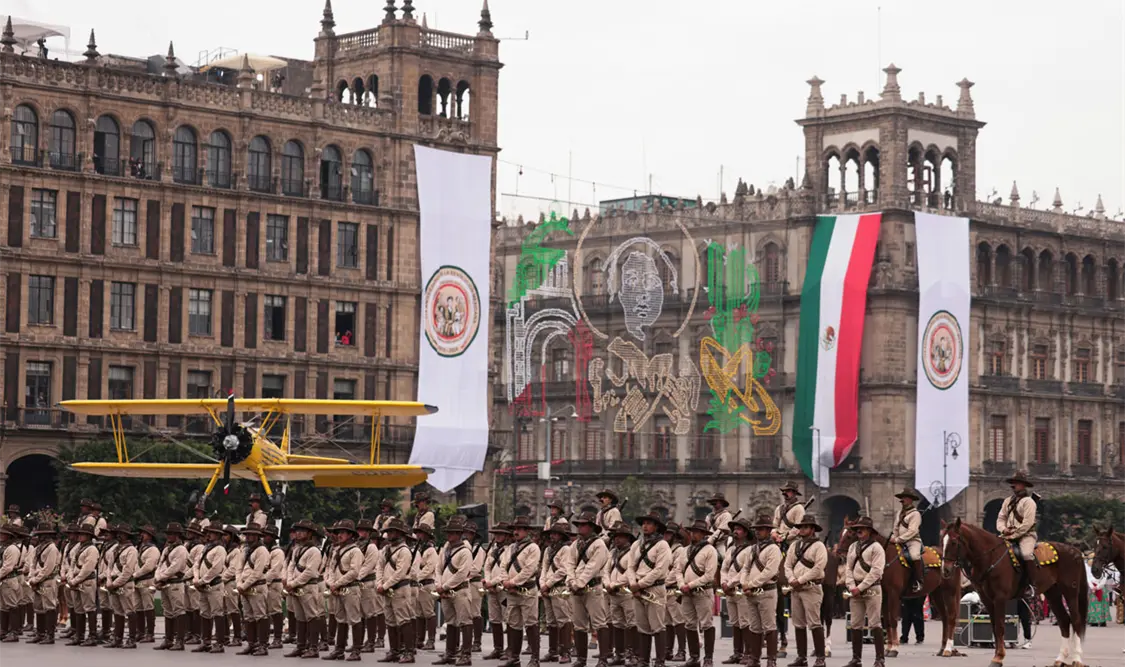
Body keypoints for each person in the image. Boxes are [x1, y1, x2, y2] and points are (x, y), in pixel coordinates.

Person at [627, 511, 672, 667]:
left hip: (655, 588)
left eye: (649, 523)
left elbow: (660, 570)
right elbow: (630, 567)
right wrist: (633, 584)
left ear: (657, 527)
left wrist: (639, 585)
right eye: (644, 523)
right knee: (642, 626)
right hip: (637, 589)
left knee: (657, 625)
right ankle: (643, 660)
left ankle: (660, 661)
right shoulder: (636, 544)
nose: (645, 526)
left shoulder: (663, 545)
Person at [783, 514, 828, 667]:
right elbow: (787, 565)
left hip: (811, 588)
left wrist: (799, 580)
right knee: (798, 624)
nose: (802, 529)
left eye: (806, 527)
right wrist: (791, 580)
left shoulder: (819, 546)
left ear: (812, 529)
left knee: (815, 623)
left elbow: (818, 568)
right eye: (801, 527)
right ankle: (801, 657)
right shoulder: (794, 546)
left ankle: (820, 658)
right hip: (796, 589)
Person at [570, 512, 612, 667]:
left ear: (591, 527)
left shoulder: (599, 544)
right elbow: (569, 565)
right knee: (579, 624)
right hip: (576, 588)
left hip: (592, 587)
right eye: (579, 524)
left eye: (583, 525)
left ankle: (603, 659)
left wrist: (578, 583)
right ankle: (581, 659)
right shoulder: (575, 544)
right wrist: (571, 581)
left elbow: (593, 567)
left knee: (600, 623)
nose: (580, 527)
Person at [500, 516, 542, 667]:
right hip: (511, 592)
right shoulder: (510, 548)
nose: (515, 532)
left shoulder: (533, 548)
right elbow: (503, 566)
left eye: (518, 529)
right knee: (513, 624)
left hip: (527, 590)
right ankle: (514, 658)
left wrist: (512, 582)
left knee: (531, 623)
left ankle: (535, 659)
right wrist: (505, 581)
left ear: (526, 531)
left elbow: (529, 570)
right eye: (514, 529)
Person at [844, 516, 886, 667]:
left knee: (875, 623)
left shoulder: (877, 548)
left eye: (862, 528)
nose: (859, 531)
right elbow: (848, 568)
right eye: (857, 528)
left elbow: (876, 571)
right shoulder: (852, 547)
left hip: (872, 588)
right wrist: (850, 585)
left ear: (869, 531)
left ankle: (880, 659)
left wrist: (860, 588)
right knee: (855, 624)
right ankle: (856, 659)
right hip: (854, 589)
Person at [435, 516, 476, 666]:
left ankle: (466, 655)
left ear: (459, 534)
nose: (449, 535)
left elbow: (462, 573)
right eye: (448, 532)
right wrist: (439, 583)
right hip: (445, 590)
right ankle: (450, 653)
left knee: (465, 621)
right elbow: (438, 568)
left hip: (460, 590)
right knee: (450, 622)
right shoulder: (445, 549)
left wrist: (444, 586)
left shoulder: (465, 551)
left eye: (452, 532)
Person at [743, 514, 783, 667]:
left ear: (768, 530)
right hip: (751, 592)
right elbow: (745, 568)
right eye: (757, 529)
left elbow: (769, 572)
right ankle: (755, 658)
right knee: (754, 626)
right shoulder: (752, 548)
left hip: (766, 591)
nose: (758, 532)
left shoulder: (773, 549)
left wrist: (751, 584)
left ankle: (771, 659)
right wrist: (744, 583)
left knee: (769, 626)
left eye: (761, 529)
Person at [284, 519, 326, 659]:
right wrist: (290, 581)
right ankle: (301, 646)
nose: (299, 533)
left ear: (309, 534)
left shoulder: (314, 550)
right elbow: (291, 566)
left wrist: (293, 583)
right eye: (297, 531)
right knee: (299, 617)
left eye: (302, 531)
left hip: (308, 587)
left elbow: (310, 572)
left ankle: (313, 647)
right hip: (296, 586)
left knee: (312, 616)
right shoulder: (297, 549)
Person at [678, 520, 718, 667]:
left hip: (703, 591)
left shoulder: (710, 550)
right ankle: (694, 657)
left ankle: (708, 658)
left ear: (703, 534)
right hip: (686, 593)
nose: (693, 534)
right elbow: (678, 571)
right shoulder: (685, 550)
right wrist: (681, 584)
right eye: (692, 531)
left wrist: (690, 585)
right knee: (689, 624)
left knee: (706, 624)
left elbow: (709, 575)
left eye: (696, 532)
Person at [378, 518, 418, 664]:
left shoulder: (404, 550)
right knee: (390, 621)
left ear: (399, 533)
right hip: (386, 589)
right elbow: (379, 567)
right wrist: (379, 584)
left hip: (400, 588)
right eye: (388, 532)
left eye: (392, 531)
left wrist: (385, 585)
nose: (389, 534)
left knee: (404, 621)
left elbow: (400, 572)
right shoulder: (385, 549)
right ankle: (394, 651)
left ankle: (408, 652)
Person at [324, 520, 364, 661]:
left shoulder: (355, 551)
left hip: (350, 588)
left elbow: (354, 572)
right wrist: (330, 583)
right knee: (340, 618)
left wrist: (337, 583)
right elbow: (329, 568)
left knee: (354, 619)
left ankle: (356, 651)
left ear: (350, 535)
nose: (339, 535)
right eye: (338, 532)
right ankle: (339, 650)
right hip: (337, 588)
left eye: (343, 532)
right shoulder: (336, 550)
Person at [538, 519, 573, 664]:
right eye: (551, 533)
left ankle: (565, 652)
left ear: (561, 536)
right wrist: (542, 584)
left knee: (563, 620)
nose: (552, 536)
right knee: (551, 621)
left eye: (556, 534)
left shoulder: (566, 550)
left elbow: (563, 570)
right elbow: (544, 569)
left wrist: (548, 584)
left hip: (559, 587)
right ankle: (552, 652)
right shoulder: (547, 550)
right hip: (547, 587)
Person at [997, 471, 1038, 592]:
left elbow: (1027, 524)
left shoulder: (1029, 502)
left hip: (1026, 536)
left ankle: (1032, 585)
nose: (1013, 485)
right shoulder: (1007, 501)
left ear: (1023, 485)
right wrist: (1004, 529)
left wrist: (1014, 534)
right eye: (1012, 483)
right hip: (1007, 535)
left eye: (1016, 483)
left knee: (1026, 554)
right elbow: (1001, 519)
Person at [720, 518, 753, 666]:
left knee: (745, 622)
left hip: (740, 588)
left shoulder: (751, 550)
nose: (735, 531)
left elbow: (746, 570)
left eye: (738, 529)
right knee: (734, 622)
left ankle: (748, 653)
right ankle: (737, 652)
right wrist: (724, 582)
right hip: (729, 589)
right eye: (734, 529)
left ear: (745, 533)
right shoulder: (731, 549)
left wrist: (731, 583)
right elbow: (724, 568)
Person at [153, 522, 189, 651]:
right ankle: (168, 639)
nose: (169, 536)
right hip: (165, 582)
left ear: (178, 535)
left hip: (175, 582)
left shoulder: (181, 549)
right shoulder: (167, 548)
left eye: (172, 534)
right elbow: (161, 564)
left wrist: (161, 577)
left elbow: (175, 567)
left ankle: (180, 640)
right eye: (168, 534)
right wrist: (157, 577)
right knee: (167, 611)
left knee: (179, 610)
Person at [193, 524, 230, 653]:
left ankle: (219, 643)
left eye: (212, 532)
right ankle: (206, 641)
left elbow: (216, 568)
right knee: (204, 613)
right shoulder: (205, 548)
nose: (209, 534)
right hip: (202, 584)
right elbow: (196, 564)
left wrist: (202, 581)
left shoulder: (220, 549)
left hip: (213, 584)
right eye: (208, 532)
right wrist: (196, 579)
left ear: (218, 535)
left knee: (217, 613)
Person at [27, 523, 60, 645]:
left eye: (43, 535)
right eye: (39, 535)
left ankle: (50, 635)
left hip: (47, 581)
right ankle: (40, 633)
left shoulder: (52, 548)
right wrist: (31, 577)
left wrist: (36, 579)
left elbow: (48, 568)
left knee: (49, 607)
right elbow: (32, 564)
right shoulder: (37, 548)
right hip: (37, 580)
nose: (40, 537)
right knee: (38, 607)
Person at [483, 522, 512, 661]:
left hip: (504, 587)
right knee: (494, 619)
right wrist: (488, 581)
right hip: (492, 587)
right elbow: (487, 566)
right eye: (496, 533)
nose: (498, 536)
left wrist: (492, 582)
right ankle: (498, 648)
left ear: (507, 535)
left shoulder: (510, 549)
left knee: (509, 619)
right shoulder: (493, 549)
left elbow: (505, 571)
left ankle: (510, 649)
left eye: (501, 533)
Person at [889, 488, 924, 593]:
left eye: (904, 498)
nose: (902, 500)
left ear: (910, 500)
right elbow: (896, 527)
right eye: (902, 498)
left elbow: (912, 531)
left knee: (914, 556)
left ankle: (919, 581)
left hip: (912, 541)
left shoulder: (915, 514)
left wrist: (898, 539)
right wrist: (894, 537)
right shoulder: (899, 513)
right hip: (899, 540)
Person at [662, 523, 687, 663]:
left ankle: (682, 651)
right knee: (667, 621)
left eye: (669, 534)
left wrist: (661, 582)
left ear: (674, 536)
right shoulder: (664, 549)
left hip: (673, 588)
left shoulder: (679, 550)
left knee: (678, 620)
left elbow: (676, 570)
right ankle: (667, 650)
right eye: (665, 534)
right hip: (663, 589)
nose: (666, 536)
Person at [413, 523, 439, 651]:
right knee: (419, 613)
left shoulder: (431, 550)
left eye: (420, 533)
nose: (418, 535)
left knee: (428, 612)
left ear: (427, 535)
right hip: (419, 584)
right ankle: (419, 639)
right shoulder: (418, 549)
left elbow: (429, 568)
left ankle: (431, 640)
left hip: (427, 583)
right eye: (417, 533)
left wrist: (417, 577)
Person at [356, 519, 381, 654]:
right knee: (359, 614)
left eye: (364, 530)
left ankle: (371, 641)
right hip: (357, 582)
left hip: (367, 582)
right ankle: (358, 642)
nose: (361, 532)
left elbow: (368, 566)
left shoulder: (371, 547)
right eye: (359, 530)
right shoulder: (357, 545)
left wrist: (355, 577)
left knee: (370, 613)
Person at [134, 525, 160, 643]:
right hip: (138, 580)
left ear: (149, 536)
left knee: (148, 606)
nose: (141, 535)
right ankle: (140, 632)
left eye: (144, 533)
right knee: (138, 607)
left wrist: (135, 575)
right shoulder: (140, 547)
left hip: (147, 579)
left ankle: (150, 633)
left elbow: (148, 567)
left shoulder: (153, 549)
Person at [222, 525, 244, 648]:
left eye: (226, 535)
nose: (224, 537)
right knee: (223, 610)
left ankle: (237, 637)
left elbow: (232, 569)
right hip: (222, 582)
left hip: (230, 582)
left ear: (232, 537)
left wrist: (220, 579)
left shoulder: (235, 551)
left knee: (233, 609)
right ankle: (225, 636)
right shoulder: (225, 549)